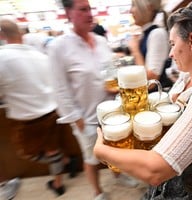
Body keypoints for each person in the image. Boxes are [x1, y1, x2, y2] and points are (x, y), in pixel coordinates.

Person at [94, 1, 192, 199]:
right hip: (177, 179)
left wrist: (100, 151)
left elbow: (155, 171)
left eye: (173, 44)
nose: (171, 53)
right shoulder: (186, 77)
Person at [48, 1, 138, 200]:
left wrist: (115, 84)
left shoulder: (100, 41)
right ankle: (97, 192)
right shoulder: (59, 47)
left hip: (112, 111)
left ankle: (117, 175)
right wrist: (76, 119)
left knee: (115, 148)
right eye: (82, 9)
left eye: (89, 8)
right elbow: (59, 87)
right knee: (91, 157)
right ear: (68, 13)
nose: (89, 14)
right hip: (86, 117)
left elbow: (110, 70)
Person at [0, 19, 76, 197]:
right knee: (52, 148)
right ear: (20, 34)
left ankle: (63, 162)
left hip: (26, 118)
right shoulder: (40, 56)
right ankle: (58, 181)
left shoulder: (2, 57)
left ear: (2, 36)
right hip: (51, 112)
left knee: (26, 152)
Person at [128, 0, 172, 90]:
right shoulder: (147, 34)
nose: (130, 11)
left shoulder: (157, 33)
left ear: (149, 7)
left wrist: (135, 51)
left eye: (134, 5)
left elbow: (151, 81)